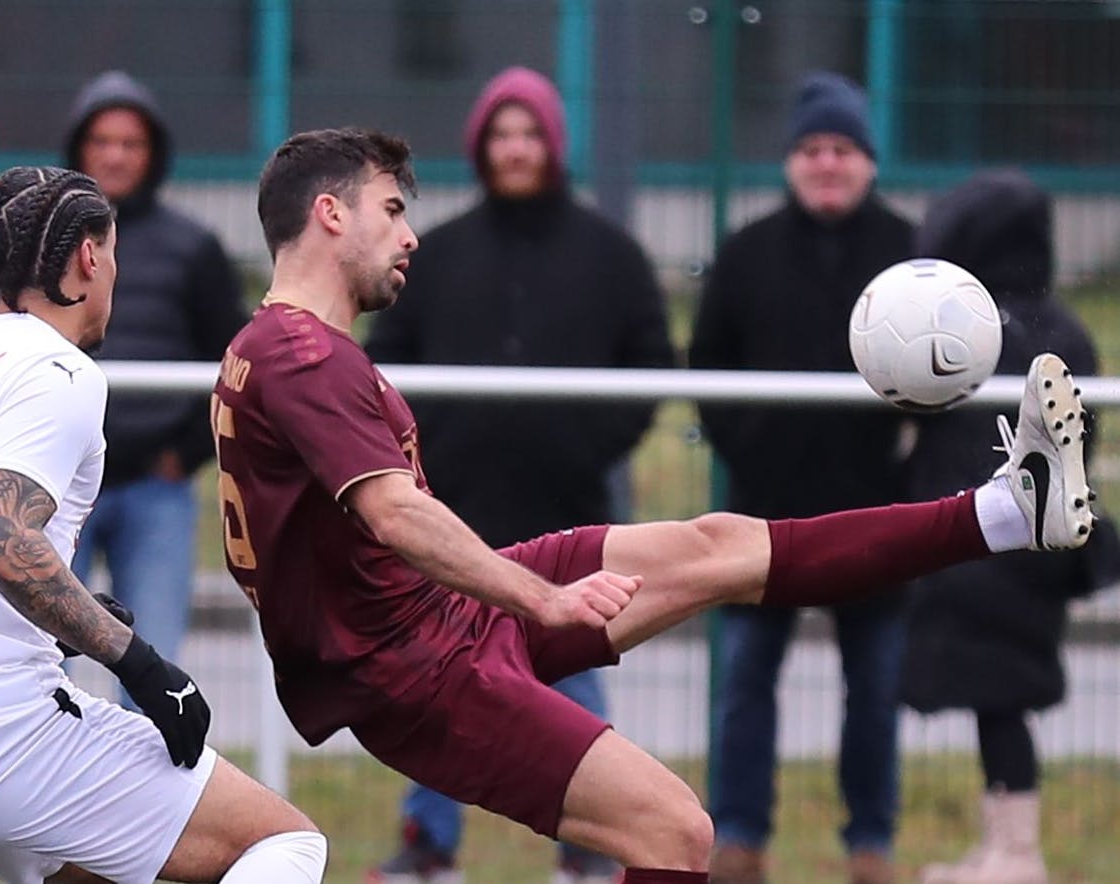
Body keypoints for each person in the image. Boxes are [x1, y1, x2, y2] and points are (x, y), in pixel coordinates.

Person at [210, 125, 1094, 884]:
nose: (409, 235)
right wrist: (540, 599)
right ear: (330, 214)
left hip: (441, 622)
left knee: (719, 545)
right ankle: (1007, 512)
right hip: (417, 672)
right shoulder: (302, 355)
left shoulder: (280, 346)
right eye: (391, 209)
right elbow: (396, 515)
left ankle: (1009, 510)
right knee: (673, 830)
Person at [0, 166, 326, 884]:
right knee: (284, 843)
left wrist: (65, 616)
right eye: (113, 254)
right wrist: (141, 664)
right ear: (88, 256)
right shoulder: (57, 369)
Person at [363, 66, 676, 884]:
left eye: (529, 134)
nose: (515, 149)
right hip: (453, 510)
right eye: (501, 134)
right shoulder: (435, 254)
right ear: (480, 147)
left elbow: (650, 361)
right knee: (439, 676)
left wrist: (585, 446)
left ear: (553, 145)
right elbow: (384, 367)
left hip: (566, 504)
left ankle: (591, 850)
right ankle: (428, 846)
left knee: (569, 670)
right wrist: (429, 452)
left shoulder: (609, 256)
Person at [688, 71, 916, 884]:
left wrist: (905, 465)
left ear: (868, 161)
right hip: (764, 516)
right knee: (745, 683)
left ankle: (870, 846)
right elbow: (707, 367)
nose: (826, 163)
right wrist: (752, 450)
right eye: (812, 148)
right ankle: (738, 838)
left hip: (877, 519)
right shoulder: (746, 253)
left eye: (842, 148)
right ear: (790, 160)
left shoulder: (910, 255)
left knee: (876, 689)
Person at [0, 71, 246, 671]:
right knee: (35, 660)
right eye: (102, 141)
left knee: (152, 666)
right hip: (48, 482)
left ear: (154, 153)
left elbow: (234, 361)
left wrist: (184, 454)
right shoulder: (31, 246)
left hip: (154, 485)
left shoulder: (194, 247)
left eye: (131, 143)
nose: (115, 155)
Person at [901, 169, 1116, 884]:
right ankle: (1002, 844)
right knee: (997, 701)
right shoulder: (1062, 328)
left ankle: (1017, 853)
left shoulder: (976, 329)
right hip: (1031, 543)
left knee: (999, 701)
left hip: (990, 541)